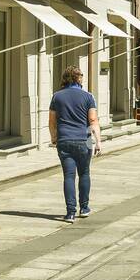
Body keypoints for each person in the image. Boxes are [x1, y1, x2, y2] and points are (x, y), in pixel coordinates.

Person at [49, 67, 100, 222]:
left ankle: (70, 212)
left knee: (69, 176)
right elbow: (93, 121)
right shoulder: (88, 97)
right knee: (84, 173)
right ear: (78, 78)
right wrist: (98, 141)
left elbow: (51, 121)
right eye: (82, 76)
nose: (83, 78)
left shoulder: (56, 97)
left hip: (64, 139)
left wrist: (54, 138)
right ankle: (84, 208)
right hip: (84, 140)